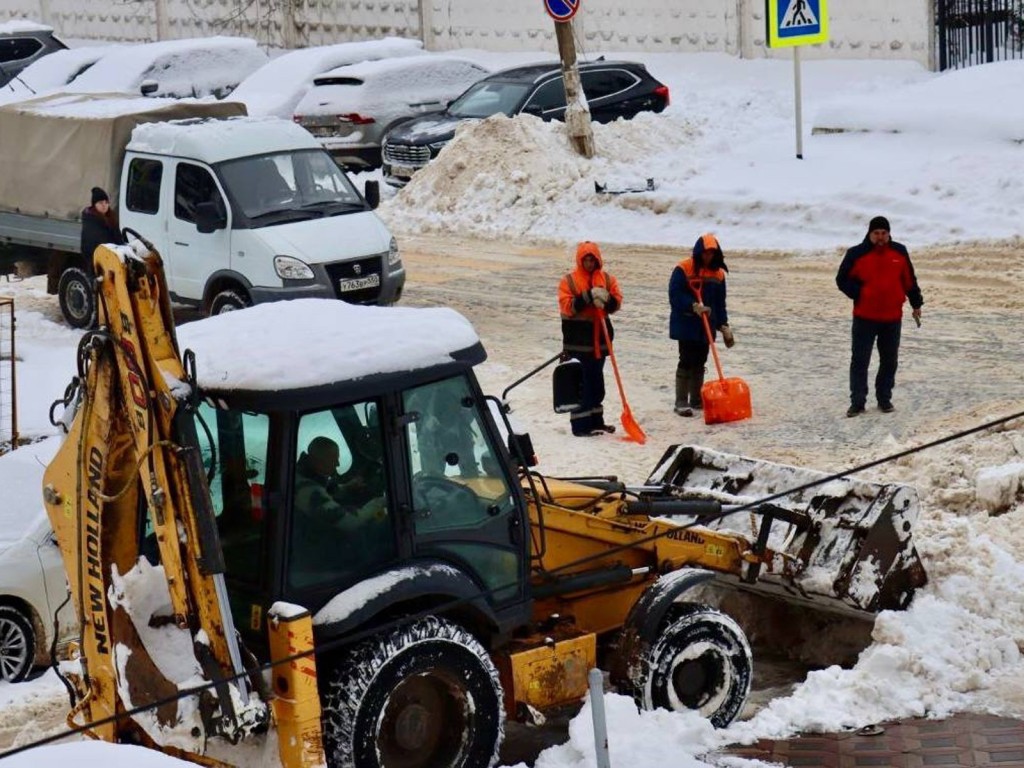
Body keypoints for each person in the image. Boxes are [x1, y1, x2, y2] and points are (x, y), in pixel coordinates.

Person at [835, 215, 924, 417]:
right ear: (870, 233)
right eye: (877, 233)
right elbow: (841, 280)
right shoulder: (856, 254)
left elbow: (909, 279)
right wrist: (860, 293)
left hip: (892, 318)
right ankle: (857, 402)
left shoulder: (899, 252)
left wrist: (916, 302)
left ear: (889, 233)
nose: (881, 237)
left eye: (884, 233)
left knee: (889, 361)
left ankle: (884, 399)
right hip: (864, 317)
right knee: (860, 361)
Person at [558, 241, 623, 437]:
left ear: (597, 260)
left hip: (600, 342)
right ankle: (581, 426)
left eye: (592, 260)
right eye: (585, 260)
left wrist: (607, 299)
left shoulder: (607, 279)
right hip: (578, 342)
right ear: (580, 260)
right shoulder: (568, 281)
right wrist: (588, 296)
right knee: (582, 384)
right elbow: (567, 307)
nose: (589, 263)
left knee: (596, 383)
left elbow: (616, 302)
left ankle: (596, 421)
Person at [668, 234, 734, 417]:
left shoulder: (718, 274)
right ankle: (681, 401)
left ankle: (696, 399)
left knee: (700, 360)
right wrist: (693, 305)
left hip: (707, 325)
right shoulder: (684, 268)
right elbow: (675, 294)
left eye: (712, 253)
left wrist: (723, 325)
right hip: (687, 323)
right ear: (699, 252)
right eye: (705, 253)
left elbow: (720, 303)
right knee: (687, 359)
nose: (708, 257)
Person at [80, 186, 126, 260]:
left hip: (112, 256)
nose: (104, 205)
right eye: (101, 203)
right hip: (96, 258)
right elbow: (97, 242)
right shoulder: (91, 220)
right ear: (94, 205)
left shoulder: (111, 218)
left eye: (106, 202)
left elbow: (118, 238)